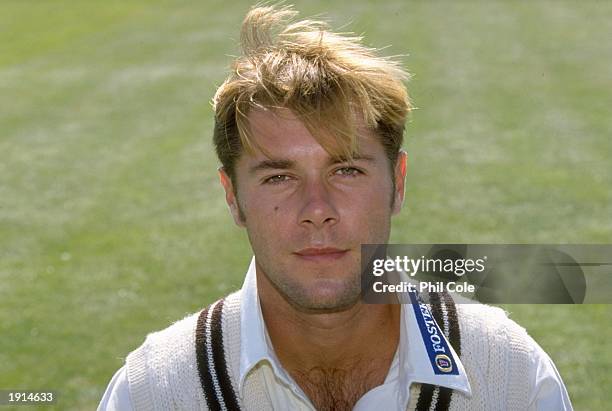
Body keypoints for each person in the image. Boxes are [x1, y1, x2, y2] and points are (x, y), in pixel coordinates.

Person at [98, 4, 572, 411]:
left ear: (397, 183)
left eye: (345, 170)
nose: (317, 208)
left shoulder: (511, 375)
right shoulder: (154, 391)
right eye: (278, 177)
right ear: (233, 197)